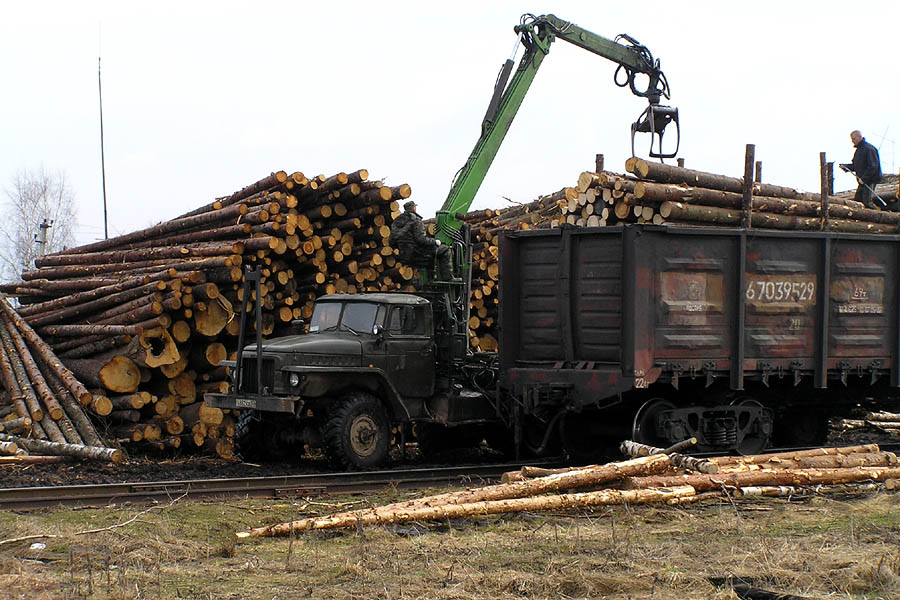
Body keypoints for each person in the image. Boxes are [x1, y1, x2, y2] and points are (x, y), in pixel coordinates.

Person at [390, 200, 455, 281]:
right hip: (417, 254)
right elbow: (421, 240)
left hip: (404, 255)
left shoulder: (396, 222)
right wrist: (434, 241)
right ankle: (448, 278)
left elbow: (391, 241)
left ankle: (430, 278)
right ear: (414, 209)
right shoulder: (415, 220)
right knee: (445, 250)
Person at [840, 130, 882, 209]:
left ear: (860, 137)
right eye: (852, 140)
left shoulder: (869, 149)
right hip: (862, 181)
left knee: (867, 202)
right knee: (857, 200)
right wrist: (846, 167)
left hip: (870, 180)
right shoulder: (858, 151)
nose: (853, 141)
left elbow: (873, 166)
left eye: (854, 139)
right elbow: (856, 166)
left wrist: (864, 178)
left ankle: (879, 214)